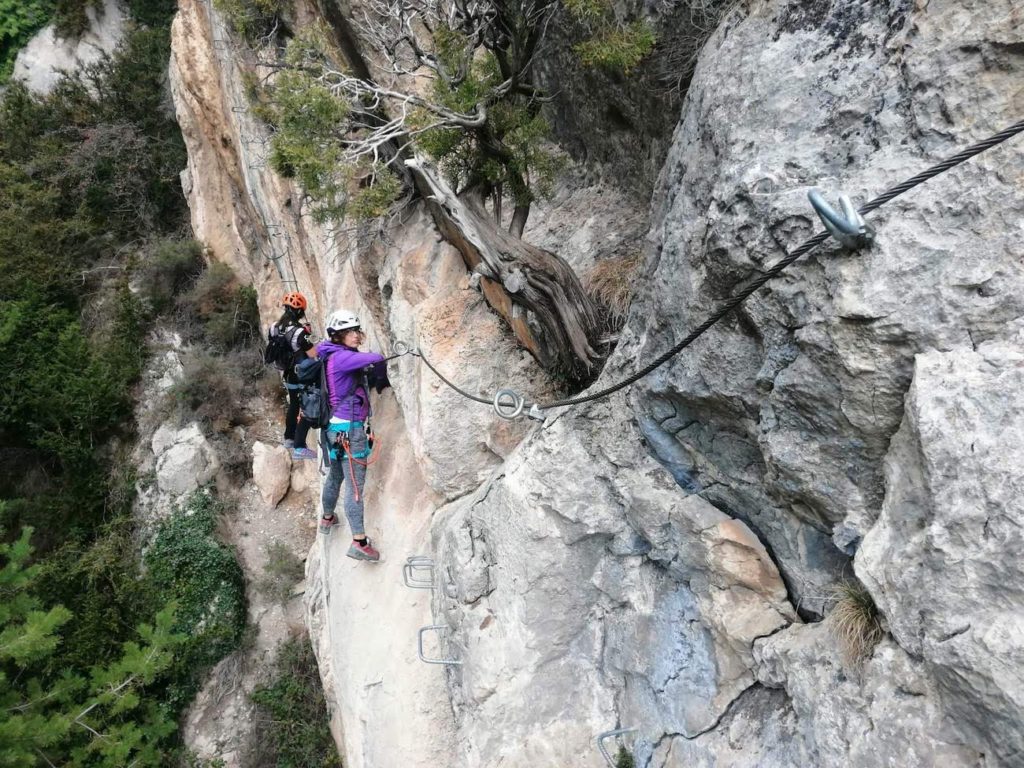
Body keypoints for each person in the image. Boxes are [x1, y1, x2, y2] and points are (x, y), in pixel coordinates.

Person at [317, 308, 389, 561]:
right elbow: (378, 358)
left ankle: (327, 519)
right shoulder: (343, 358)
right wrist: (381, 380)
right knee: (355, 487)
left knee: (335, 476)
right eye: (350, 332)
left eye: (357, 331)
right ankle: (358, 541)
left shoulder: (330, 354)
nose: (356, 336)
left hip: (333, 429)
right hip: (350, 429)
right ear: (337, 336)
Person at [269, 292, 318, 460]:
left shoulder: (274, 327)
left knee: (294, 404)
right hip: (303, 374)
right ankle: (299, 446)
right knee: (307, 405)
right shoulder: (299, 332)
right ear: (299, 312)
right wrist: (307, 335)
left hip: (288, 373)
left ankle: (289, 438)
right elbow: (313, 354)